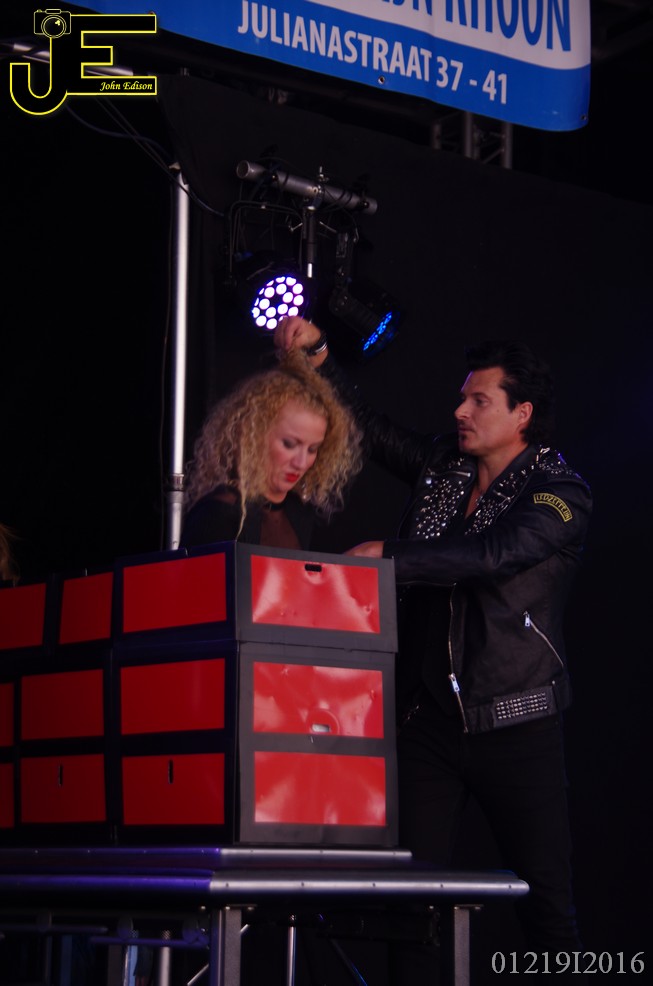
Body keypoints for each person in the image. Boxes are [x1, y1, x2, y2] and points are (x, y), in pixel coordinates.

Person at [275, 315, 592, 983]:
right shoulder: (445, 465)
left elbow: (492, 554)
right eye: (461, 397)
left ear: (522, 414)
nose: (460, 411)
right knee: (410, 907)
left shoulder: (560, 492)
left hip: (516, 722)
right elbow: (369, 428)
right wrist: (319, 356)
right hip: (429, 724)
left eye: (479, 400)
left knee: (547, 910)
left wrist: (389, 556)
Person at [180, 347, 362, 551]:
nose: (301, 463)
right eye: (289, 444)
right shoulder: (221, 513)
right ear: (255, 436)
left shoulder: (298, 512)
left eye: (313, 449)